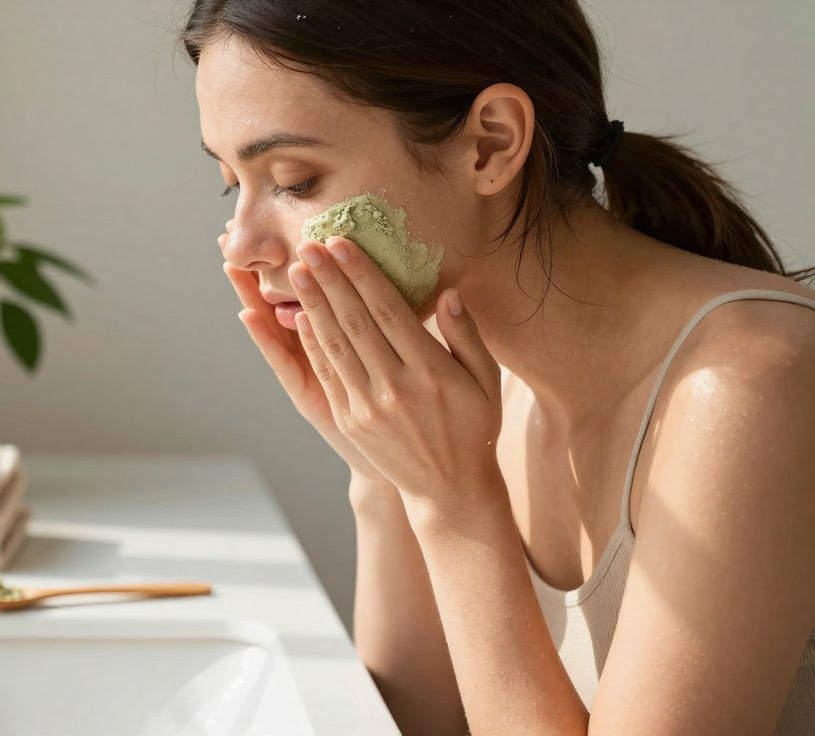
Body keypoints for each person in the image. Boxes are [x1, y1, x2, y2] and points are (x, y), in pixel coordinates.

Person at [182, 1, 815, 733]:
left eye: (294, 181)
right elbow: (421, 725)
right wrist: (385, 477)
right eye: (234, 185)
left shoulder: (748, 387)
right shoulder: (471, 390)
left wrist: (456, 506)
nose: (240, 244)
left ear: (490, 143)